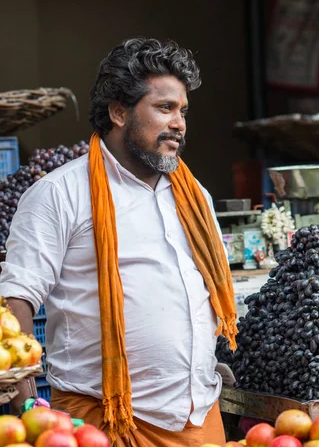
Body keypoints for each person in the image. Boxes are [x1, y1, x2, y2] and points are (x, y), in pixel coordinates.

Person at [0, 37, 237, 447]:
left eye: (182, 111)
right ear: (119, 112)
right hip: (101, 423)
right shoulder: (60, 194)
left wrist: (203, 363)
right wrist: (28, 411)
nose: (179, 123)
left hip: (200, 420)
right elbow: (13, 301)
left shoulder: (194, 195)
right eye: (164, 108)